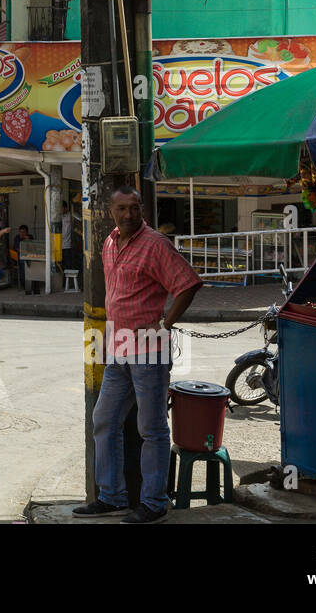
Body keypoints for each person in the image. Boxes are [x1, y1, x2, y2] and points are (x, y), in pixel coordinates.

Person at [74, 186, 203, 524]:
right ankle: (112, 497)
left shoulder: (156, 244)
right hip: (118, 350)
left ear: (141, 208)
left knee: (152, 428)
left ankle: (154, 502)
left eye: (134, 207)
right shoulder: (109, 242)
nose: (129, 214)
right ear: (110, 211)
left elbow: (188, 283)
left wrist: (166, 323)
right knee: (104, 420)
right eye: (122, 208)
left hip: (149, 351)